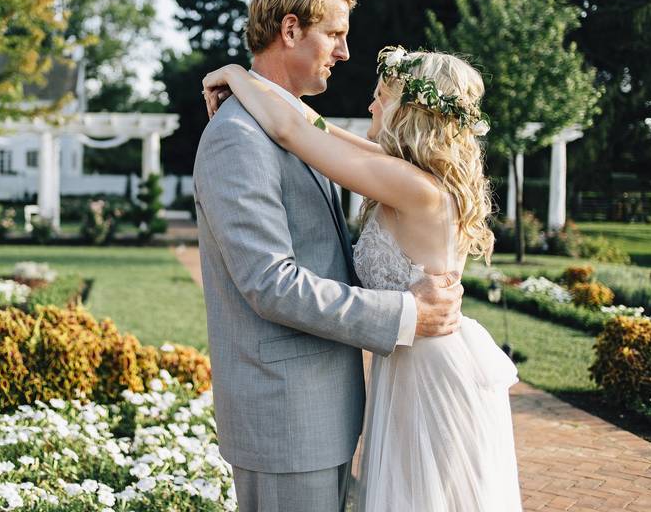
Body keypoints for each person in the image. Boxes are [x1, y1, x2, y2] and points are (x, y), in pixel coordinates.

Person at [192, 0, 466, 512]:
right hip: (285, 414)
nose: (344, 52)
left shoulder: (293, 126)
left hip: (327, 408)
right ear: (290, 30)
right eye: (335, 34)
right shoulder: (239, 138)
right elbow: (271, 283)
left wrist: (241, 79)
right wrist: (405, 312)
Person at [201, 44, 522, 511]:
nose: (370, 106)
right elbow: (320, 127)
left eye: (380, 96)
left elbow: (294, 132)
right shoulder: (407, 174)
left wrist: (236, 72)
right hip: (409, 366)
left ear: (406, 112)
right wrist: (258, 83)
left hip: (430, 375)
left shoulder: (415, 187)